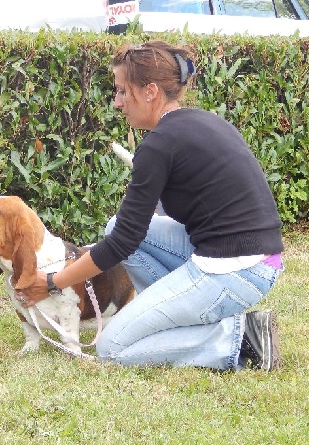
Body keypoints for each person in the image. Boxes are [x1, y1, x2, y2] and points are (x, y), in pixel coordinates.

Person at [17, 40, 285, 370]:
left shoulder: (160, 144)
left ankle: (241, 338)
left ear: (150, 91)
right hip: (251, 258)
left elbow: (120, 245)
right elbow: (135, 230)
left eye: (122, 92)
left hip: (236, 271)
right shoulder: (200, 122)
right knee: (116, 224)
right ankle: (169, 318)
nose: (117, 103)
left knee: (112, 347)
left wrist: (52, 282)